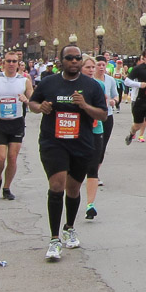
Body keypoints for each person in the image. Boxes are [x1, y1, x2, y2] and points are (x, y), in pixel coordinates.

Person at [28, 45, 108, 261]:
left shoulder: (91, 86)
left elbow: (102, 114)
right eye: (69, 58)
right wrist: (40, 107)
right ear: (61, 61)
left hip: (81, 143)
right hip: (53, 142)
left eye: (77, 58)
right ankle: (54, 239)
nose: (74, 61)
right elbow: (32, 103)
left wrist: (85, 106)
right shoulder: (49, 82)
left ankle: (69, 227)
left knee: (73, 189)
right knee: (57, 185)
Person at [0, 50, 32, 200]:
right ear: (3, 63)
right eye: (8, 61)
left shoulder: (24, 80)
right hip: (0, 122)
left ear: (18, 64)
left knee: (12, 158)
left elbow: (34, 101)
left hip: (17, 122)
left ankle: (7, 187)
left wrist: (26, 100)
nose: (11, 64)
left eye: (14, 61)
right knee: (1, 158)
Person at [83, 55, 119, 219]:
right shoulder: (73, 85)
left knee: (94, 163)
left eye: (93, 67)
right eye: (88, 67)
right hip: (79, 129)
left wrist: (106, 103)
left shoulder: (101, 85)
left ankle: (90, 205)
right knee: (77, 167)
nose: (92, 70)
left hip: (96, 127)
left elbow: (103, 109)